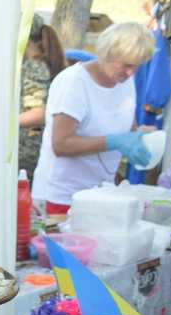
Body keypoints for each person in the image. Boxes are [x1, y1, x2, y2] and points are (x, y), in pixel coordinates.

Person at [32, 22, 155, 215]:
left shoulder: (124, 81)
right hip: (61, 196)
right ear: (107, 54)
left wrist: (139, 135)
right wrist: (115, 141)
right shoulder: (74, 83)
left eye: (137, 66)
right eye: (126, 65)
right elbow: (61, 144)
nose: (131, 73)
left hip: (99, 192)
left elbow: (123, 122)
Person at [18, 20, 66, 176]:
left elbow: (39, 113)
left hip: (28, 147)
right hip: (42, 143)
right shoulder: (49, 62)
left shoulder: (34, 66)